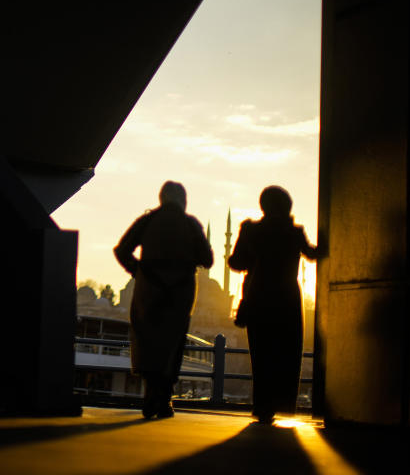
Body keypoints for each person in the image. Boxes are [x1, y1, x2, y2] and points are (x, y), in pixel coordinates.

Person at [114, 181, 213, 419]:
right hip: (180, 294)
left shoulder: (147, 221)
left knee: (149, 342)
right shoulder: (190, 225)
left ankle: (150, 394)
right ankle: (164, 398)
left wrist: (138, 271)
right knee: (173, 345)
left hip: (149, 292)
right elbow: (207, 259)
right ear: (183, 200)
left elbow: (122, 250)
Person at [228, 185, 318, 425]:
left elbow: (236, 263)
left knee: (261, 352)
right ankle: (283, 402)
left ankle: (263, 405)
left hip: (258, 295)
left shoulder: (250, 231)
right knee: (286, 352)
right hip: (287, 297)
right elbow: (313, 253)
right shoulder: (294, 232)